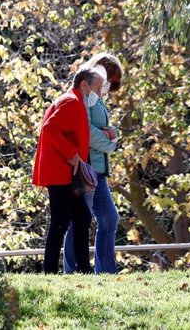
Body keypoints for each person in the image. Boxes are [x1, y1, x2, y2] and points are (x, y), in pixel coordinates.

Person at [33, 67, 105, 274]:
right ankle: (50, 272)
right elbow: (49, 128)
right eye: (97, 89)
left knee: (82, 217)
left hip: (68, 171)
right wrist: (72, 154)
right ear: (84, 85)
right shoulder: (72, 102)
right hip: (61, 171)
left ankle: (84, 269)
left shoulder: (74, 101)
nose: (99, 95)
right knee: (61, 220)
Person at [64, 53, 123, 274]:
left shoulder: (96, 97)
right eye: (109, 82)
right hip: (85, 167)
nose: (108, 88)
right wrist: (110, 145)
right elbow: (85, 131)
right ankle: (71, 272)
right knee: (80, 221)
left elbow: (103, 127)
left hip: (97, 168)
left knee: (108, 219)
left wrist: (113, 133)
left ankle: (106, 271)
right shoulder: (84, 95)